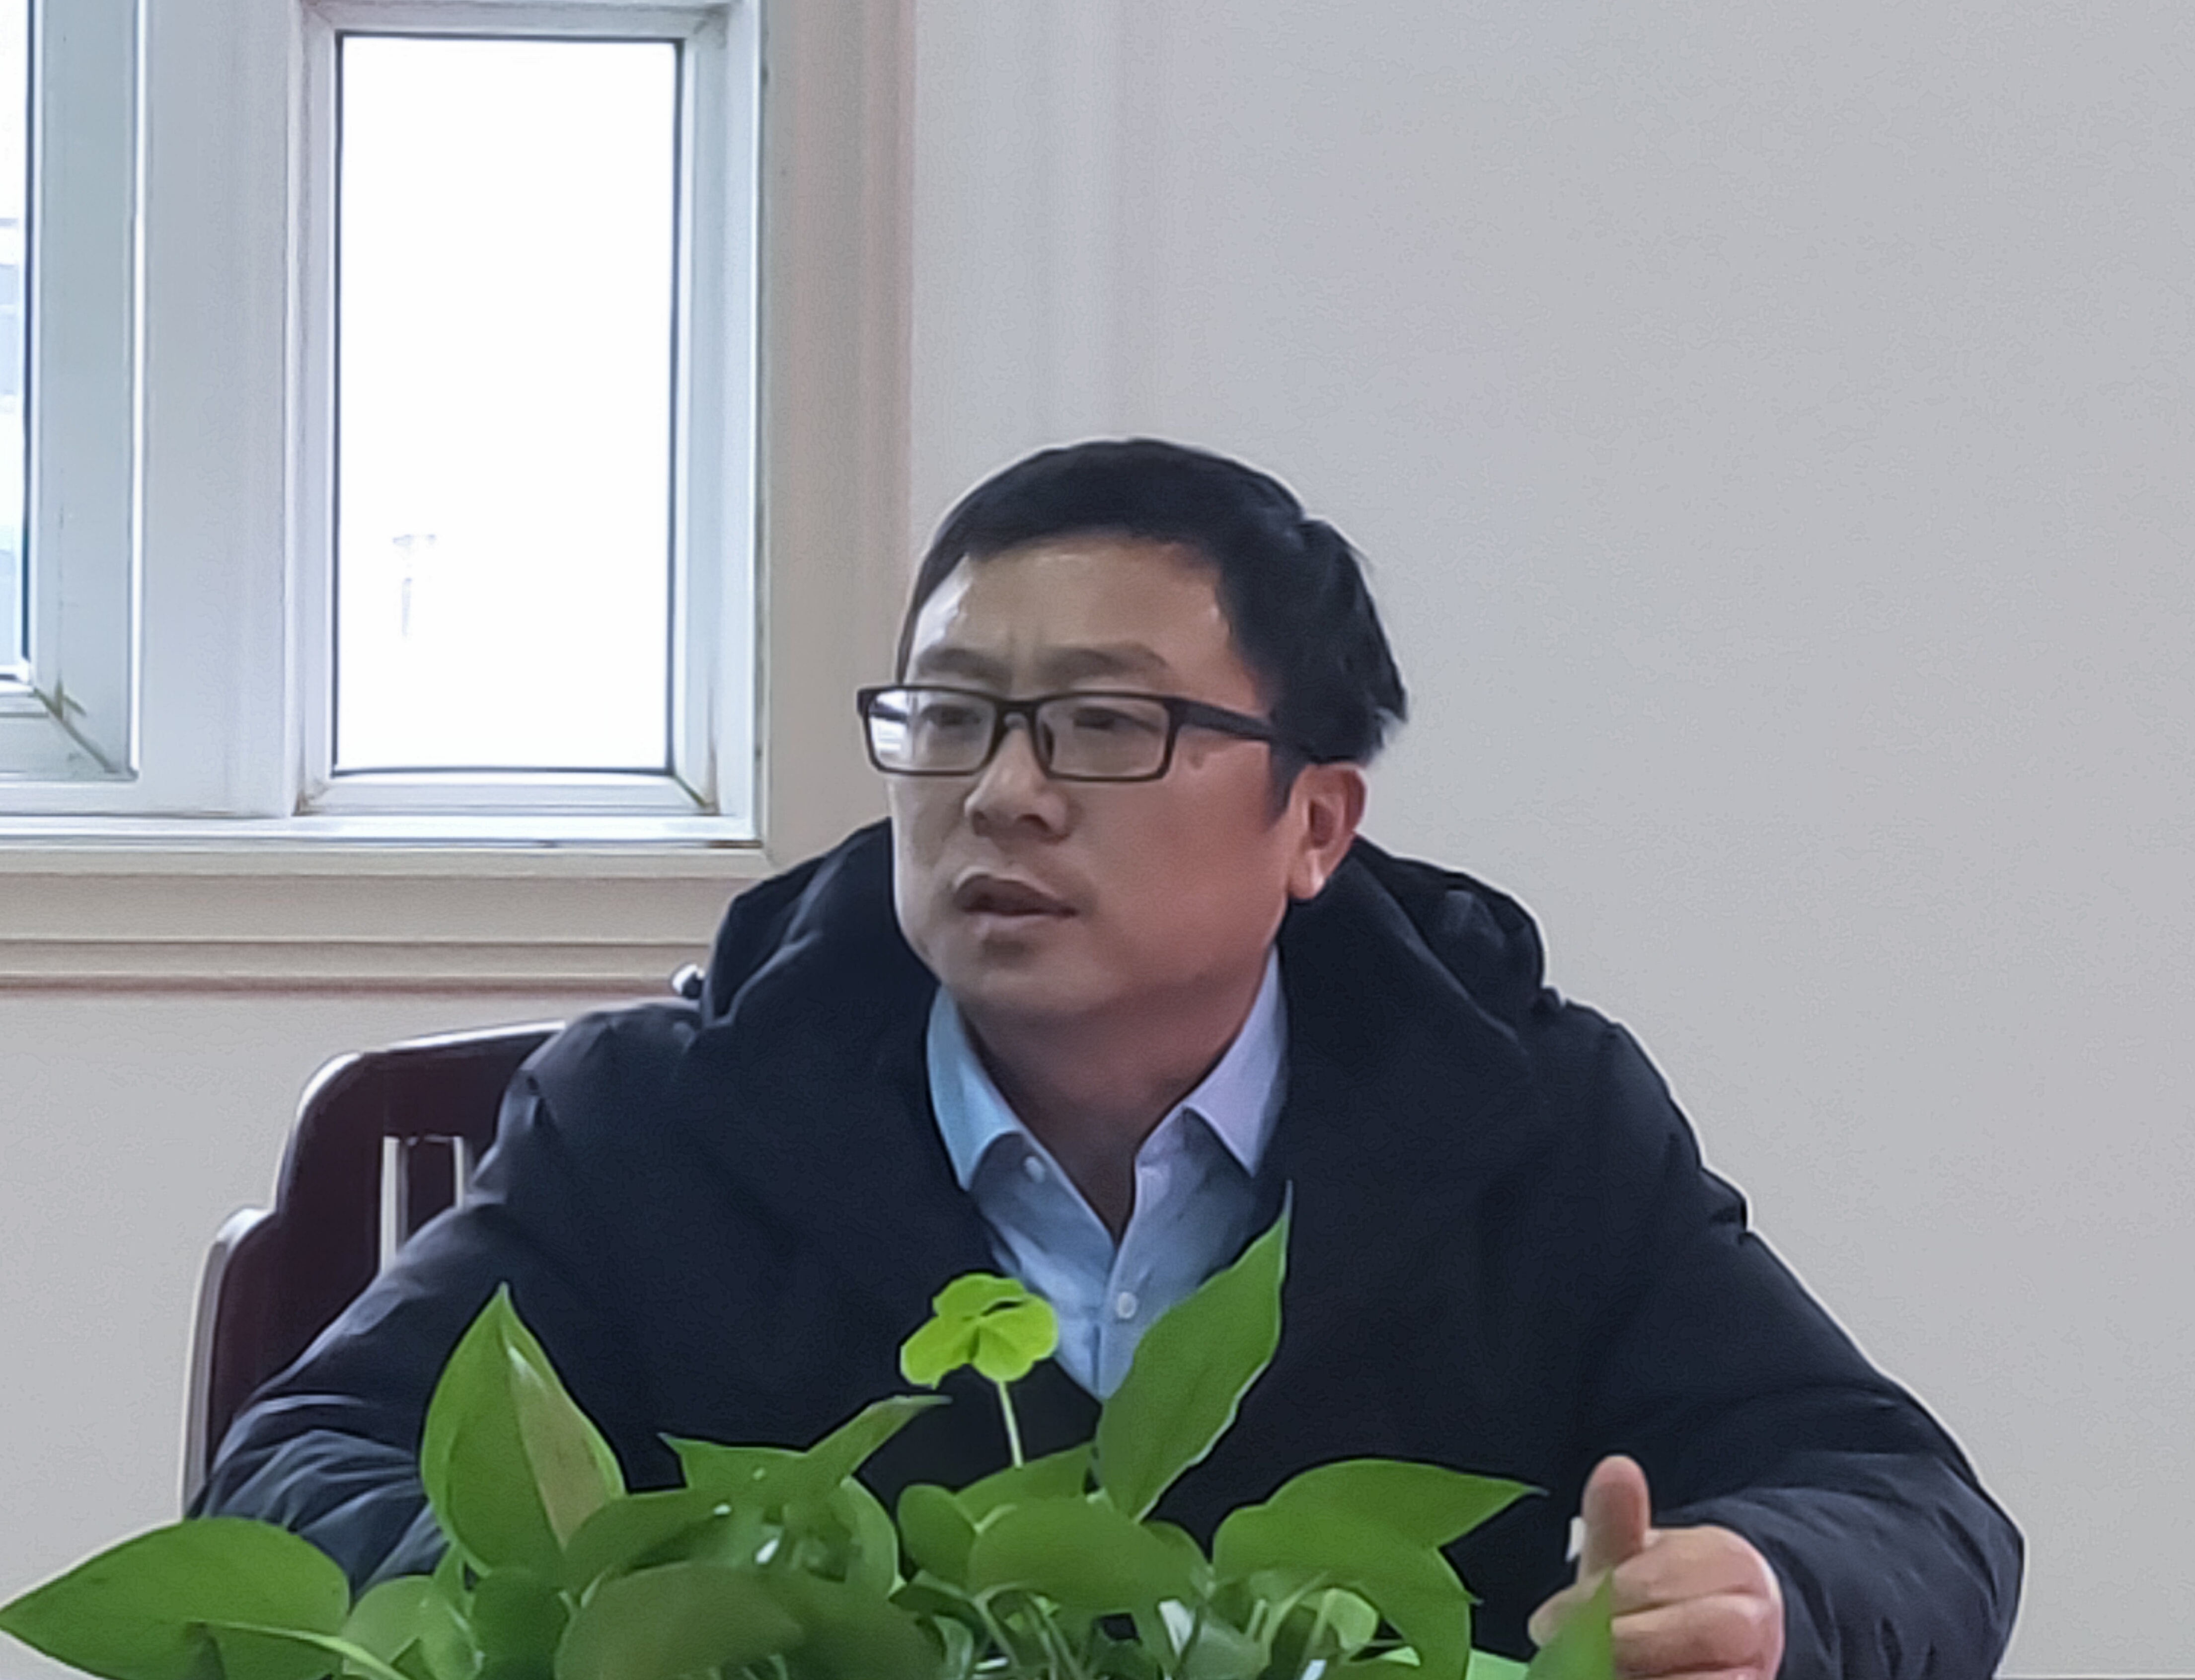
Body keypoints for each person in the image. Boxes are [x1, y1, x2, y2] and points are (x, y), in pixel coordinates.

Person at [199, 439, 2024, 1677]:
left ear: (1315, 823)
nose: (1004, 792)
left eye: (1101, 724)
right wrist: (611, 1609)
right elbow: (298, 1462)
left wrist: (1767, 1592)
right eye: (952, 718)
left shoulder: (1525, 1119)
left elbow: (1903, 1504)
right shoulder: (666, 1119)